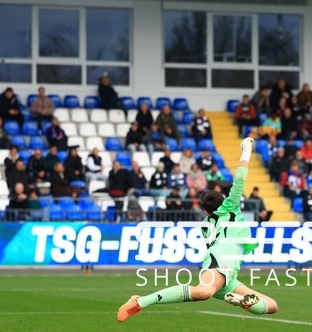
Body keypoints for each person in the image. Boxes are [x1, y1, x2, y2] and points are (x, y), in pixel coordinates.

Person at [117, 138, 279, 322]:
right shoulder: (230, 207)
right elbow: (240, 176)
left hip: (230, 272)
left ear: (206, 210)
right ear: (224, 200)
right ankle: (140, 301)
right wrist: (247, 148)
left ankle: (240, 300)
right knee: (203, 292)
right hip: (221, 260)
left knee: (272, 306)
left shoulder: (206, 224)